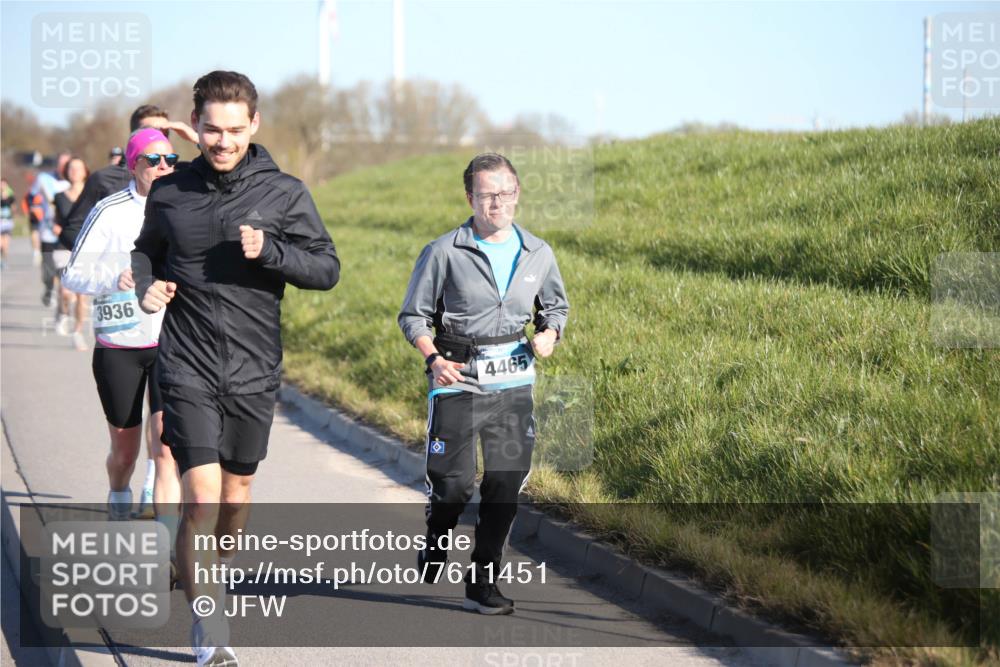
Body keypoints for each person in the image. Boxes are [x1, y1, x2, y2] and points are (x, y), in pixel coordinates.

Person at [133, 70, 340, 667]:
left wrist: (271, 251)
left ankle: (203, 568)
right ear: (193, 125)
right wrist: (147, 286)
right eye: (211, 129)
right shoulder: (171, 191)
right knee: (198, 496)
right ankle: (211, 633)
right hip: (187, 363)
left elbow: (326, 269)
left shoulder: (285, 194)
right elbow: (147, 249)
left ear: (254, 124)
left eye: (233, 130)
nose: (221, 141)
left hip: (253, 368)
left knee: (235, 496)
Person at [398, 152, 569, 615]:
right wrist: (432, 358)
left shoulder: (539, 252)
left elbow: (555, 307)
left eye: (506, 193)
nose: (498, 203)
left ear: (518, 194)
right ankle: (439, 528)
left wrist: (550, 333)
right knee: (453, 486)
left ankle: (483, 580)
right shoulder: (443, 251)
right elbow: (413, 315)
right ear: (470, 197)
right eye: (487, 194)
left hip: (514, 383)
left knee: (504, 484)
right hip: (458, 379)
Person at [61, 129, 181, 541]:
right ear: (134, 165)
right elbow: (73, 272)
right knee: (125, 450)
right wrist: (116, 276)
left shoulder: (184, 205)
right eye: (154, 160)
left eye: (171, 159)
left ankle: (166, 543)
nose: (164, 167)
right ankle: (118, 494)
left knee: (166, 446)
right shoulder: (110, 210)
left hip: (171, 342)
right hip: (121, 344)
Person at [59, 104, 197, 251]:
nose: (158, 136)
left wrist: (196, 139)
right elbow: (71, 231)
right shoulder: (103, 179)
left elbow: (220, 175)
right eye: (151, 130)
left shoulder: (177, 171)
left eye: (165, 131)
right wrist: (110, 262)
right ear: (134, 134)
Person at [53, 156, 90, 350]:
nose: (75, 171)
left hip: (85, 250)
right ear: (66, 172)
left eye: (78, 168)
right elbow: (56, 222)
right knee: (67, 292)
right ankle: (62, 311)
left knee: (82, 296)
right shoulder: (59, 196)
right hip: (64, 248)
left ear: (85, 171)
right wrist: (58, 230)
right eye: (71, 168)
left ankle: (77, 332)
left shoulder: (93, 194)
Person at [32, 152, 70, 307]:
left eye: (66, 164)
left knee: (64, 271)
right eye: (61, 164)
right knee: (48, 267)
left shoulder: (76, 182)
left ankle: (63, 303)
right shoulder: (43, 179)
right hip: (48, 231)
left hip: (66, 233)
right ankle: (49, 287)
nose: (63, 167)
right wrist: (35, 209)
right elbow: (31, 197)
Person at [1, 179, 15, 268]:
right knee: (0, 244)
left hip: (7, 222)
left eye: (3, 184)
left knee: (5, 245)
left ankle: (4, 261)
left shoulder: (10, 195)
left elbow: (13, 207)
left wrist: (5, 198)